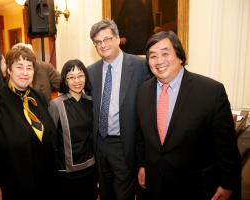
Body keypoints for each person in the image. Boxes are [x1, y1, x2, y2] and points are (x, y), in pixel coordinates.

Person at [136, 30, 241, 200]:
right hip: (155, 185)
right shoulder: (142, 91)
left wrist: (228, 184)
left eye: (165, 53)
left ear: (180, 56)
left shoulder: (211, 92)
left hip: (196, 187)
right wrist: (142, 164)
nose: (159, 60)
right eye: (153, 56)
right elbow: (142, 134)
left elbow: (227, 147)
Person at [0, 46, 57, 199]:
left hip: (44, 183)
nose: (25, 73)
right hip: (12, 185)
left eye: (29, 68)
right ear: (9, 70)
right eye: (19, 67)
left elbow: (50, 137)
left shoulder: (38, 97)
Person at [87, 19, 150, 200]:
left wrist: (143, 159)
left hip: (124, 144)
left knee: (124, 195)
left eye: (107, 39)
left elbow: (147, 114)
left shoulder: (140, 66)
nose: (103, 45)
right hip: (99, 145)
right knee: (105, 193)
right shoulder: (91, 71)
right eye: (98, 42)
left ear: (117, 39)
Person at [48, 59, 98, 200]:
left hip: (91, 168)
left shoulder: (91, 101)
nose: (76, 80)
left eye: (80, 75)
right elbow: (51, 142)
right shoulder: (56, 105)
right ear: (65, 80)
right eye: (71, 77)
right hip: (66, 173)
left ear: (86, 77)